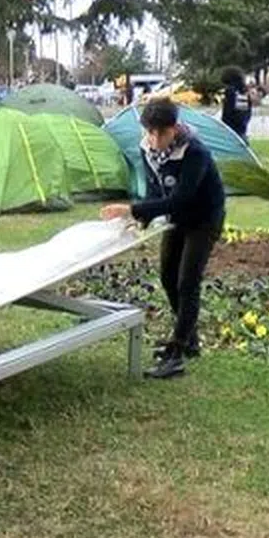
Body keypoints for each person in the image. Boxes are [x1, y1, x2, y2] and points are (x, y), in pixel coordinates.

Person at [100, 99, 226, 379]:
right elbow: (156, 194)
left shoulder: (195, 152)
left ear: (174, 128)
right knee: (168, 278)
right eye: (150, 132)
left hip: (203, 220)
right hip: (176, 220)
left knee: (187, 283)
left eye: (161, 133)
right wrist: (139, 218)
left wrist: (133, 208)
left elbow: (180, 199)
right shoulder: (146, 149)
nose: (155, 139)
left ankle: (177, 352)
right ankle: (189, 340)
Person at [219, 66, 251, 143]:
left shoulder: (230, 91)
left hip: (230, 130)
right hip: (242, 129)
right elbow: (247, 113)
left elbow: (228, 112)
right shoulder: (244, 92)